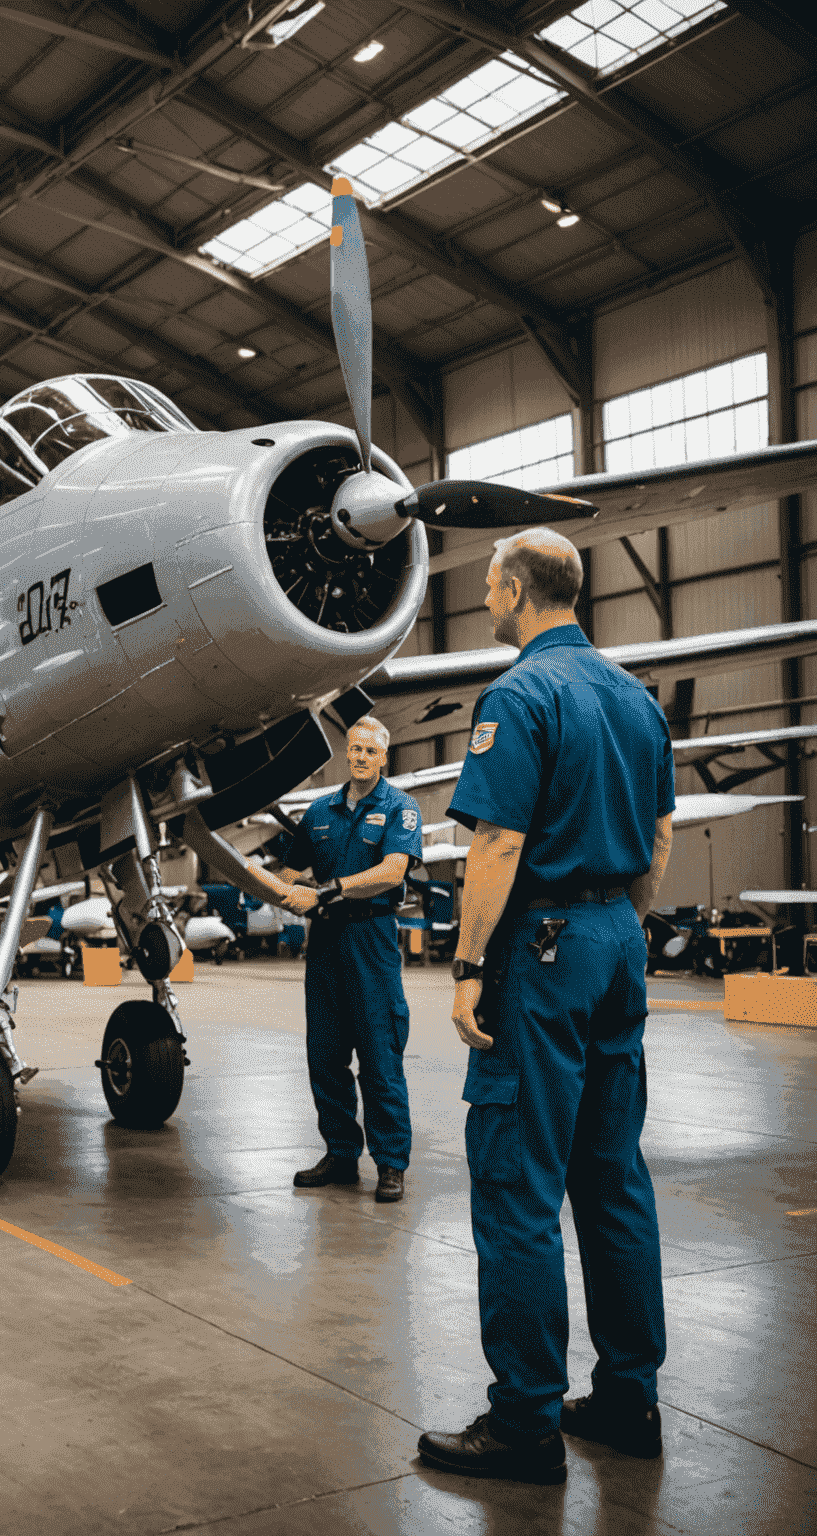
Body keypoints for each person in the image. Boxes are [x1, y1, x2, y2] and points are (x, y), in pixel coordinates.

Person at [417, 528, 675, 1485]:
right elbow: (658, 843)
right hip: (617, 942)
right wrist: (624, 930)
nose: (486, 603)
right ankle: (627, 1398)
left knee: (518, 1183)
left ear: (520, 590)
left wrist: (470, 962)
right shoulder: (634, 700)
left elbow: (495, 845)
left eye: (490, 588)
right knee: (612, 1177)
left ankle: (524, 1421)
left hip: (545, 948)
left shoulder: (520, 695)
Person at [279, 717, 422, 1203]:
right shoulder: (319, 811)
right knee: (325, 1055)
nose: (360, 757)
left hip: (370, 937)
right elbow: (293, 871)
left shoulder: (401, 809)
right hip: (324, 943)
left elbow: (392, 871)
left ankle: (390, 1163)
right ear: (347, 753)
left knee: (381, 1057)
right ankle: (341, 1154)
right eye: (354, 749)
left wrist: (335, 887)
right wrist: (275, 886)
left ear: (384, 758)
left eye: (370, 751)